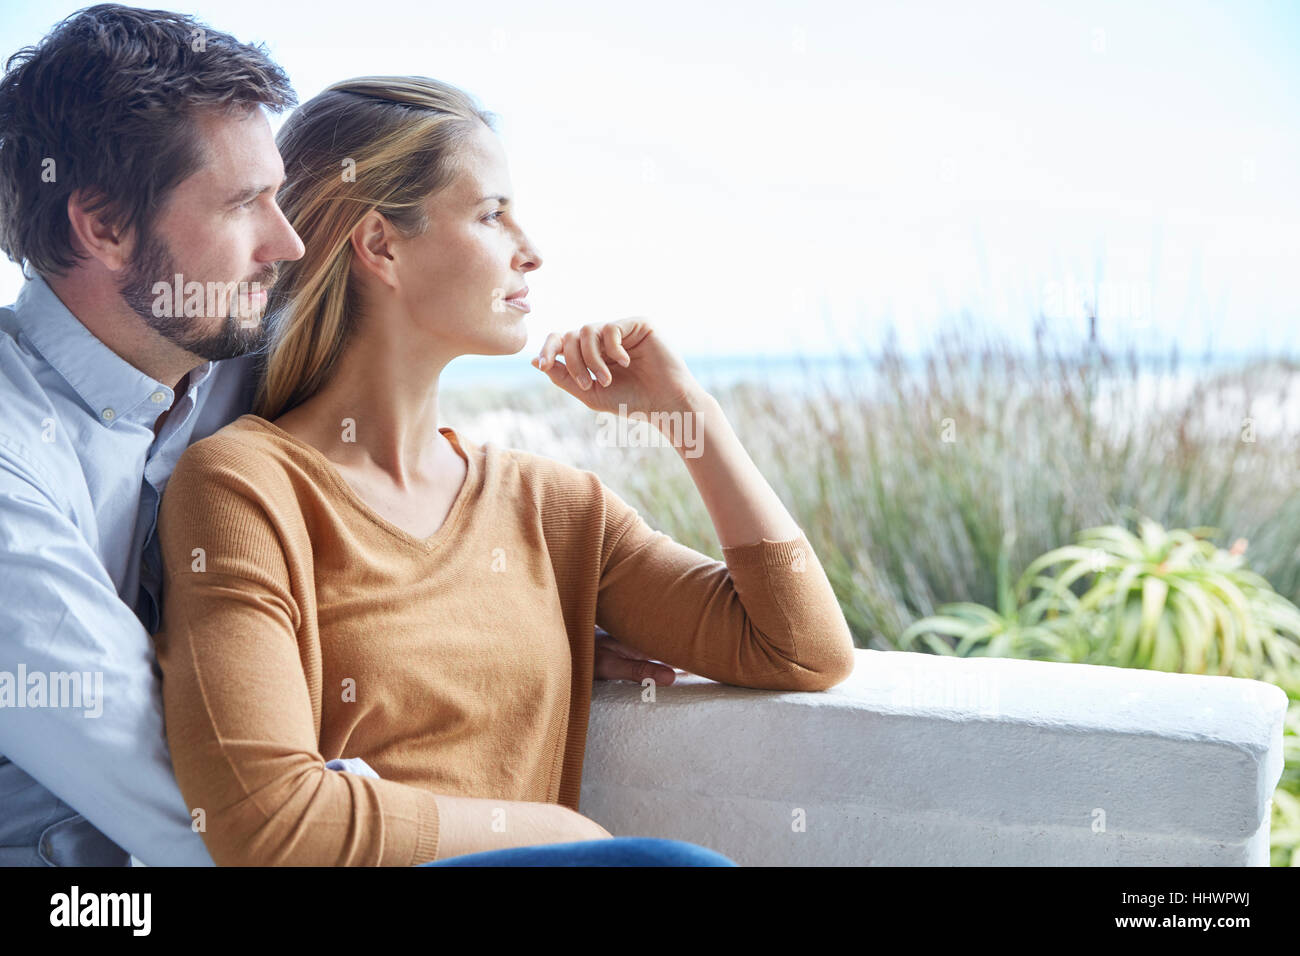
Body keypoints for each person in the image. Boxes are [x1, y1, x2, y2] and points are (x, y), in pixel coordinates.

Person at [0, 4, 670, 868]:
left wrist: (501, 623)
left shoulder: (236, 366)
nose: (285, 242)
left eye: (279, 195)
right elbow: (214, 819)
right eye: (244, 204)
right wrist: (549, 830)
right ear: (103, 227)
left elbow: (396, 484)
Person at [150, 75, 858, 866]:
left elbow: (801, 649)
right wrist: (559, 833)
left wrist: (688, 418)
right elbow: (267, 822)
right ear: (381, 245)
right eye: (492, 214)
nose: (533, 250)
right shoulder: (243, 486)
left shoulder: (550, 506)